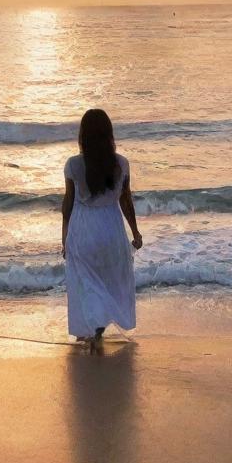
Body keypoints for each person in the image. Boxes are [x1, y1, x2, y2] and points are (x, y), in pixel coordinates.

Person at [61, 108, 143, 348]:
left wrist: (64, 237)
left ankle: (89, 328)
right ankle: (99, 324)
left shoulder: (73, 165)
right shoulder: (121, 164)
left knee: (85, 281)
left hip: (84, 229)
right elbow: (126, 201)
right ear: (109, 135)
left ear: (83, 136)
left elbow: (67, 205)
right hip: (111, 228)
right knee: (110, 279)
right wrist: (135, 232)